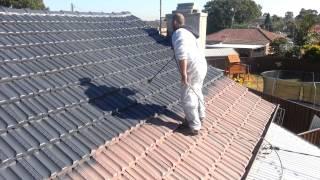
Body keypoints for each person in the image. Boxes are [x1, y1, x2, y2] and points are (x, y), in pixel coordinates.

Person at [171, 13, 207, 135]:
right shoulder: (188, 33)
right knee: (197, 90)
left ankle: (194, 125)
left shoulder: (178, 33)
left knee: (187, 95)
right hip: (202, 65)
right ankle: (201, 115)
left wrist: (184, 74)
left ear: (175, 22)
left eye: (171, 22)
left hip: (192, 68)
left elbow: (182, 54)